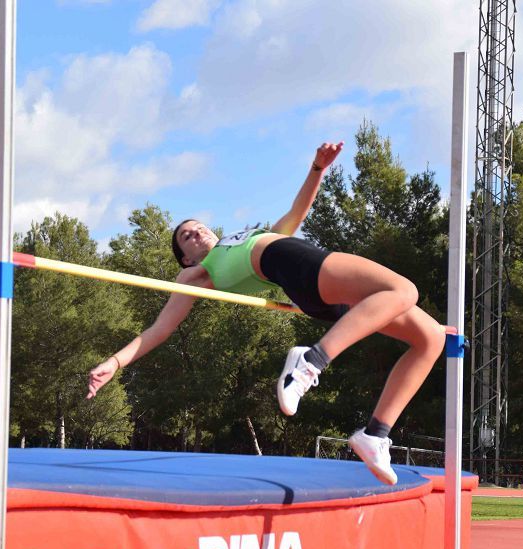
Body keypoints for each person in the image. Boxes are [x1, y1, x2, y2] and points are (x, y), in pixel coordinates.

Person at [87, 142, 446, 485]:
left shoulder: (245, 238)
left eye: (198, 226)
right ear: (185, 258)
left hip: (317, 289)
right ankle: (311, 361)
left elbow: (296, 214)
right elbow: (161, 328)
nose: (196, 232)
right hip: (292, 265)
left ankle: (375, 434)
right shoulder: (199, 272)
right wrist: (116, 362)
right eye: (186, 237)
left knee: (429, 337)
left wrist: (318, 168)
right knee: (405, 290)